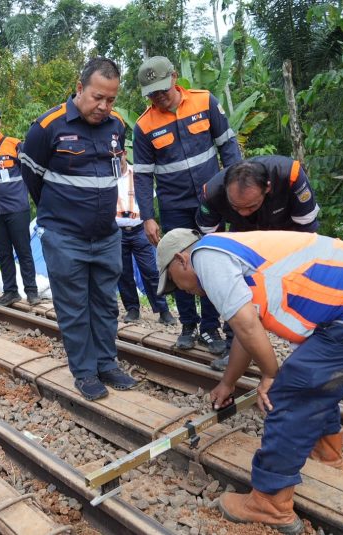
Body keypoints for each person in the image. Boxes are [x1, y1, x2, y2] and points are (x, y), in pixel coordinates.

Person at [155, 228, 343, 534]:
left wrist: (270, 375)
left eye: (172, 280)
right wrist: (228, 383)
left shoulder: (206, 257)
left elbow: (247, 326)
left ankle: (270, 503)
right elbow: (245, 330)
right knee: (315, 380)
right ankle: (326, 454)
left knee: (291, 392)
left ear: (182, 259)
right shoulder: (230, 253)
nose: (179, 290)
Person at [20, 57, 137, 401]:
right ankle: (84, 371)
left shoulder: (116, 126)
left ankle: (107, 363)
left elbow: (118, 170)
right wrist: (58, 217)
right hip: (64, 236)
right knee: (73, 307)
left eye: (111, 99)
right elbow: (33, 178)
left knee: (105, 303)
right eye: (97, 97)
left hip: (106, 235)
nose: (104, 106)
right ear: (79, 88)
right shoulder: (46, 127)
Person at [133, 55, 242, 354]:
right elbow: (142, 177)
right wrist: (147, 217)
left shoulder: (205, 102)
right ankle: (188, 325)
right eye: (152, 93)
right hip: (173, 207)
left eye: (162, 89)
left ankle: (210, 327)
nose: (159, 97)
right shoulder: (144, 126)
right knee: (177, 264)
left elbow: (229, 148)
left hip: (212, 201)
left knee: (210, 262)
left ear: (175, 77)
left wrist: (235, 190)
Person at [197, 156, 320, 370]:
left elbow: (308, 230)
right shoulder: (213, 192)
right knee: (235, 290)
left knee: (301, 290)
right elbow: (211, 244)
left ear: (268, 188)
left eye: (250, 206)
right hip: (244, 240)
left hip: (290, 235)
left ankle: (307, 356)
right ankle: (234, 348)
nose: (243, 212)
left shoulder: (290, 175)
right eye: (237, 207)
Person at [0, 105, 40, 306]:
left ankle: (32, 292)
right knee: (3, 252)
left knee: (23, 250)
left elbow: (29, 172)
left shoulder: (14, 144)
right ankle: (10, 291)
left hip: (17, 207)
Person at [115, 151, 175, 325]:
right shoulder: (105, 175)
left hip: (140, 229)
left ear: (124, 154)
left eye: (118, 158)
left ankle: (163, 310)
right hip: (116, 231)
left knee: (151, 271)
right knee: (123, 273)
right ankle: (132, 309)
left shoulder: (138, 175)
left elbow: (149, 200)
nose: (116, 163)